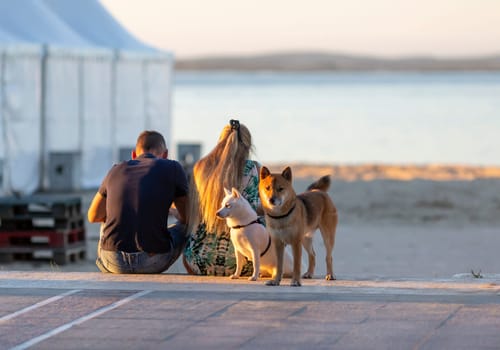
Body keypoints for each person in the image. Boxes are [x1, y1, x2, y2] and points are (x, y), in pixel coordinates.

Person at [87, 130, 189, 274]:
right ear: (165, 154)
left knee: (106, 218)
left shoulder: (116, 169)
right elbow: (187, 217)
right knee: (184, 228)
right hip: (153, 261)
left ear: (134, 154)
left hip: (114, 261)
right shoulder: (173, 168)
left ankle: (107, 259)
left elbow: (93, 216)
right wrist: (170, 209)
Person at [183, 119, 262, 276]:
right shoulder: (254, 169)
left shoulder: (200, 168)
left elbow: (192, 213)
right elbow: (258, 210)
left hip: (199, 262)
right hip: (247, 264)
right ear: (248, 147)